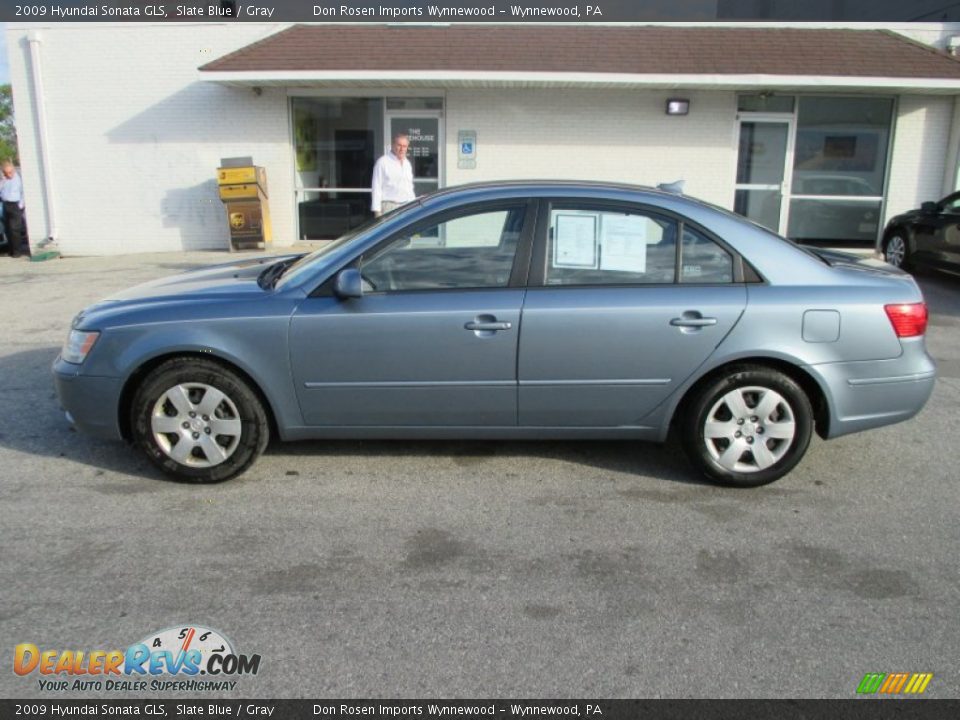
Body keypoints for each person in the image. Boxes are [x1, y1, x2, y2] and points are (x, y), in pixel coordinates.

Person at [370, 132, 415, 217]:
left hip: (406, 206)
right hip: (389, 207)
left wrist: (413, 205)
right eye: (399, 145)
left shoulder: (407, 164)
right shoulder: (383, 162)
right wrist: (377, 212)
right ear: (393, 145)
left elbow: (409, 187)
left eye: (404, 146)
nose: (402, 149)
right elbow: (376, 188)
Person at [0, 161, 27, 258]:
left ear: (13, 170)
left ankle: (17, 251)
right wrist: (2, 180)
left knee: (15, 229)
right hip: (5, 204)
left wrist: (20, 206)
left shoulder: (18, 179)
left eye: (10, 172)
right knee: (8, 229)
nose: (8, 175)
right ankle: (11, 250)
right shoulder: (4, 180)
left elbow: (23, 192)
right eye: (6, 173)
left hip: (15, 204)